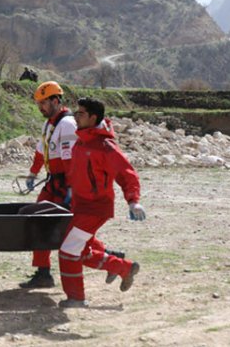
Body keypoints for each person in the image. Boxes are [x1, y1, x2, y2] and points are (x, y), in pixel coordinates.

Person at [57, 97, 146, 308]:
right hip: (80, 206)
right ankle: (123, 267)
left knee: (69, 251)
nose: (75, 116)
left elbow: (127, 173)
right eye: (76, 112)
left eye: (80, 113)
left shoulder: (105, 146)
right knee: (81, 251)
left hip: (95, 208)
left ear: (93, 117)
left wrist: (133, 201)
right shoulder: (82, 140)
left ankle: (76, 298)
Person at [20, 81, 78, 289]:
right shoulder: (49, 124)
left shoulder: (67, 125)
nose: (40, 108)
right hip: (53, 182)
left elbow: (70, 159)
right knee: (37, 221)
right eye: (38, 104)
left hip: (64, 185)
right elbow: (40, 151)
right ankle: (43, 272)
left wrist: (71, 188)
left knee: (71, 233)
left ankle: (112, 260)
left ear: (56, 100)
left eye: (43, 103)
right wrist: (32, 173)